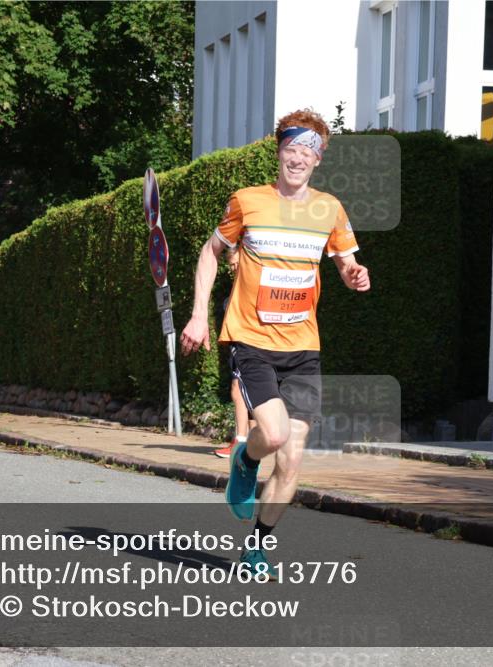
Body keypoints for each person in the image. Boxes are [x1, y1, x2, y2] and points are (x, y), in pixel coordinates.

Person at [180, 109, 370, 575]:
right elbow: (211, 252)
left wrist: (355, 275)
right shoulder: (247, 201)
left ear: (318, 159)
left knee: (292, 459)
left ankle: (258, 547)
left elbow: (346, 264)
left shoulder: (330, 209)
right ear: (279, 151)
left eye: (309, 150)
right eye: (292, 148)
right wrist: (198, 315)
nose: (299, 157)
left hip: (304, 346)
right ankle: (246, 459)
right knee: (276, 434)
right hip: (251, 338)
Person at [214, 249, 256, 459]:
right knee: (250, 393)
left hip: (247, 343)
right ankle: (251, 443)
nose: (233, 269)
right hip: (240, 342)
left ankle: (240, 441)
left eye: (235, 263)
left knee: (237, 389)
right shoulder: (240, 284)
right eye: (230, 265)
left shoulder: (250, 283)